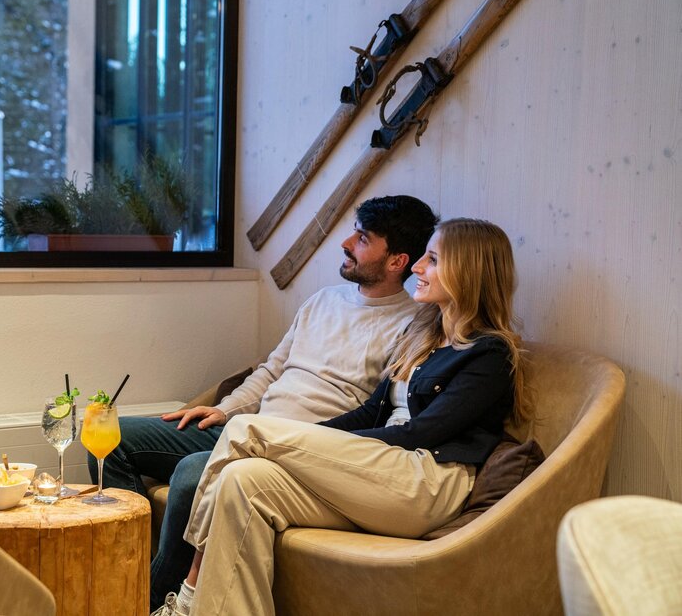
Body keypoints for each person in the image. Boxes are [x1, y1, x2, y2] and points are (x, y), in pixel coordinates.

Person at [156, 218, 530, 616]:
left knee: (245, 429)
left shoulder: (489, 355)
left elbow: (423, 432)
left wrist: (311, 446)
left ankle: (187, 596)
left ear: (469, 272)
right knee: (242, 481)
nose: (418, 267)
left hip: (426, 482)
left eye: (433, 260)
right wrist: (313, 442)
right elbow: (370, 412)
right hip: (381, 473)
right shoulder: (425, 334)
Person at [87, 195, 439, 609]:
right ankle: (124, 572)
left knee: (191, 473)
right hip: (242, 428)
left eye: (362, 239)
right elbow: (272, 370)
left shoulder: (411, 326)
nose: (346, 244)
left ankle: (144, 601)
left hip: (289, 450)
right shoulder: (322, 301)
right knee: (110, 437)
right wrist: (224, 408)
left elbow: (380, 415)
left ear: (397, 261)